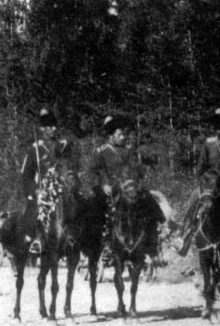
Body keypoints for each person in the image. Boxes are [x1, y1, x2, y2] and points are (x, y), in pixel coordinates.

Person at [173, 108, 220, 263]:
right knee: (194, 200)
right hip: (210, 184)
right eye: (219, 127)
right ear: (216, 128)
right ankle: (183, 237)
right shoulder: (209, 144)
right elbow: (201, 167)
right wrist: (206, 180)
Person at [88, 116, 164, 259]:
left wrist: (143, 170)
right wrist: (102, 185)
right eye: (120, 135)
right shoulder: (101, 151)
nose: (123, 137)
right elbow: (91, 173)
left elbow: (136, 169)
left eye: (124, 134)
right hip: (112, 189)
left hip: (130, 187)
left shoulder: (129, 151)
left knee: (148, 199)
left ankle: (158, 232)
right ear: (111, 135)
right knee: (96, 211)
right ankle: (101, 244)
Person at [21, 108, 80, 254]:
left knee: (78, 205)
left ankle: (76, 238)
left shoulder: (62, 145)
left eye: (54, 126)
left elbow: (70, 166)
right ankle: (35, 239)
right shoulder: (34, 149)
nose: (53, 129)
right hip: (43, 190)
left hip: (61, 188)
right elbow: (26, 175)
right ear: (42, 129)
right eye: (49, 127)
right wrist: (36, 190)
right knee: (34, 210)